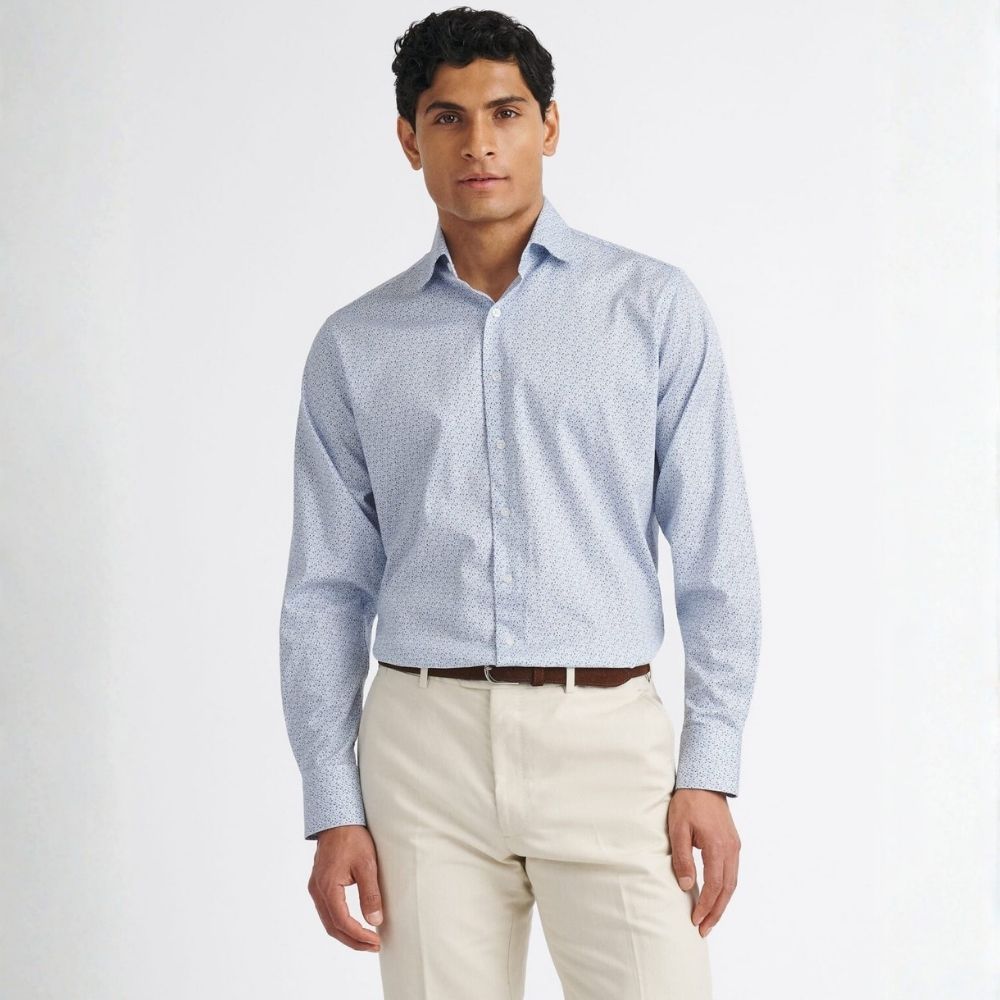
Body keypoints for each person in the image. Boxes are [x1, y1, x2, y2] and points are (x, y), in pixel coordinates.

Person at [278, 7, 761, 998]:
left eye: (504, 112)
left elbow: (717, 555)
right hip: (423, 756)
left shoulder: (651, 309)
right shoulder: (356, 344)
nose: (479, 143)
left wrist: (710, 766)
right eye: (447, 117)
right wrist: (333, 803)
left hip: (607, 743)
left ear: (549, 124)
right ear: (409, 138)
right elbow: (325, 589)